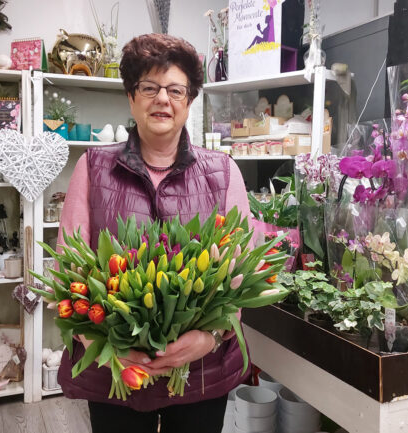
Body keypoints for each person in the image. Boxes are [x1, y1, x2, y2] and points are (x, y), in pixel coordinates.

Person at [56, 33, 250, 433]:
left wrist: (210, 338)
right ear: (131, 97)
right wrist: (103, 346)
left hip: (199, 374)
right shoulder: (92, 167)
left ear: (189, 101)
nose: (163, 99)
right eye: (149, 87)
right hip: (116, 376)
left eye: (175, 90)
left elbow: (237, 273)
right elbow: (68, 272)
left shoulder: (223, 172)